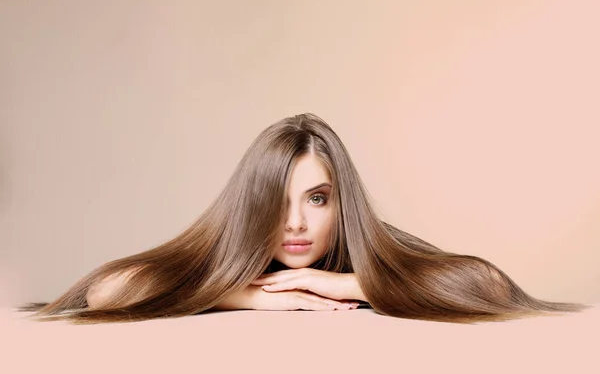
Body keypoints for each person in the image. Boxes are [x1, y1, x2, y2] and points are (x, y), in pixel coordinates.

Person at [17, 113, 591, 325]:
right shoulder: (220, 257)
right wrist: (249, 297)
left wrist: (345, 284)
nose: (295, 223)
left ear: (343, 205)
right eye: (278, 202)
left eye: (316, 199)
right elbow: (108, 290)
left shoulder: (365, 252)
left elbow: (488, 283)